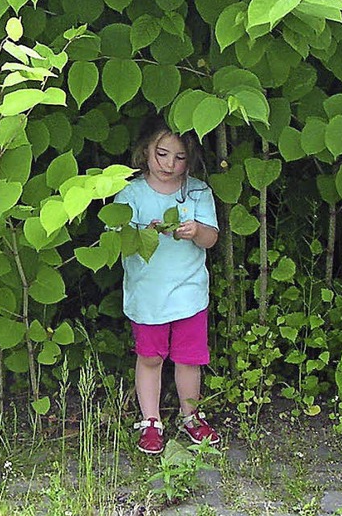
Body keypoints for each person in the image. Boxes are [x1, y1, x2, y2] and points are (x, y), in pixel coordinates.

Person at [114, 115, 221, 455]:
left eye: (179, 157)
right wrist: (143, 231)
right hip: (147, 294)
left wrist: (195, 231)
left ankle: (191, 415)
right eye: (161, 154)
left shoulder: (198, 191)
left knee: (189, 359)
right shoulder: (130, 192)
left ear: (190, 160)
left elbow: (211, 238)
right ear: (145, 151)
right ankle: (150, 421)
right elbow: (117, 239)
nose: (169, 164)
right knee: (150, 358)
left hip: (189, 293)